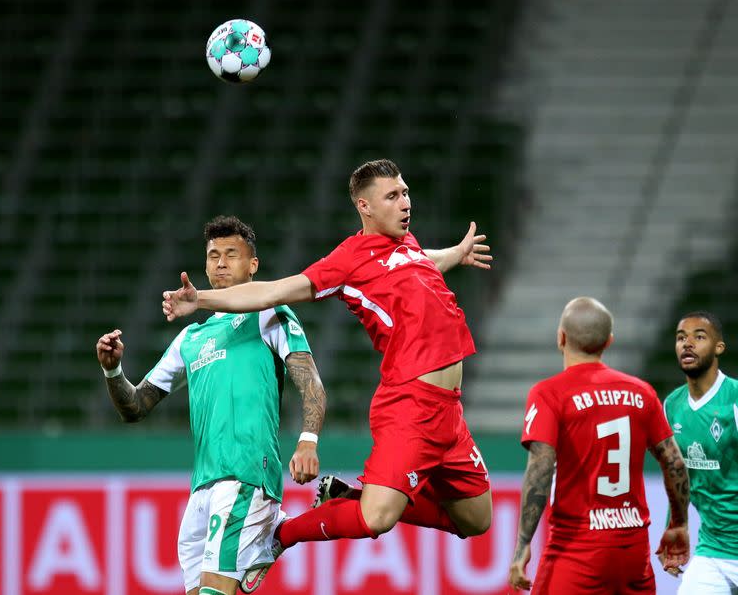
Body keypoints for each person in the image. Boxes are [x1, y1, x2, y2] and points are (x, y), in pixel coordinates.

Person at [162, 158, 495, 590]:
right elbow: (275, 290)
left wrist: (455, 253)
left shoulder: (406, 244)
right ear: (365, 206)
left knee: (476, 518)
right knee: (376, 519)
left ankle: (351, 496)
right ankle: (280, 536)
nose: (405, 202)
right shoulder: (349, 260)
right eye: (393, 196)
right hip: (409, 404)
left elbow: (421, 261)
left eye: (406, 192)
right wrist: (201, 300)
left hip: (449, 412)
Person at [97, 215, 327, 595]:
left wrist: (308, 440)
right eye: (213, 255)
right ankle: (273, 537)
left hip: (246, 474)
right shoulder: (191, 338)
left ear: (253, 265)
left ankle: (272, 533)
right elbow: (135, 406)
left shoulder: (268, 313)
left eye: (232, 254)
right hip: (201, 487)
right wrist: (112, 370)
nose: (220, 263)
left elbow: (312, 383)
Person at [508, 297, 690, 594]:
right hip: (633, 553)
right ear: (609, 341)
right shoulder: (641, 392)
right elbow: (674, 462)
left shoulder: (549, 393)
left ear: (561, 337)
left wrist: (523, 545)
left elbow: (540, 468)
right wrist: (679, 523)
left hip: (577, 549)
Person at [663, 311, 738, 594]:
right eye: (681, 338)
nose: (688, 344)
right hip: (713, 550)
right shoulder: (672, 405)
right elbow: (676, 472)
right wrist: (675, 527)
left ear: (719, 347)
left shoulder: (734, 399)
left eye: (699, 336)